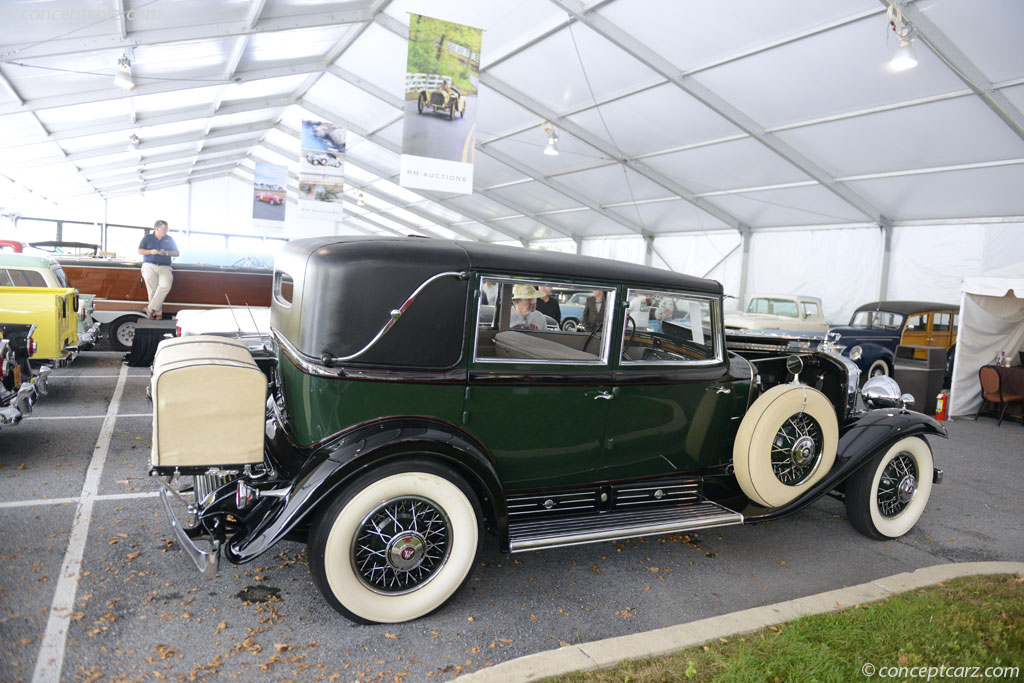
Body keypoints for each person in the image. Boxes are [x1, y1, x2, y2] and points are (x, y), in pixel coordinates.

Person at [137, 220, 179, 319]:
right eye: (163, 228)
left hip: (165, 267)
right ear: (156, 228)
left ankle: (150, 308)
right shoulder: (147, 238)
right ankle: (158, 314)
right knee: (153, 290)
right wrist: (151, 251)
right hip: (149, 265)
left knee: (165, 286)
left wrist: (166, 253)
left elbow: (177, 253)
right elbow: (139, 251)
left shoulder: (169, 239)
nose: (166, 230)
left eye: (167, 228)